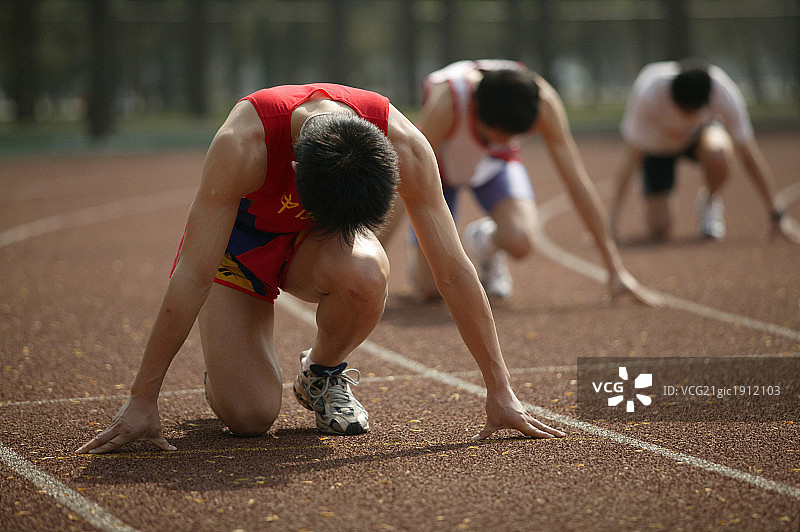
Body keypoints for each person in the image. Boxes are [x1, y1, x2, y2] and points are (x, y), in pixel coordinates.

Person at [75, 83, 565, 454]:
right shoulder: (243, 144)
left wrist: (500, 390)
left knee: (368, 273)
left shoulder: (406, 145)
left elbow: (455, 272)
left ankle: (323, 373)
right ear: (292, 176)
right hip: (238, 250)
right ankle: (225, 369)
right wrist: (144, 397)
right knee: (249, 416)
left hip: (317, 249)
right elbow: (193, 273)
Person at [379, 59, 660, 304]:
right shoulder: (449, 101)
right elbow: (405, 177)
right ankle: (421, 262)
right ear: (475, 111)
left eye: (511, 138)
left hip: (495, 165)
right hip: (439, 171)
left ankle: (484, 243)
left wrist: (615, 269)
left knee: (521, 240)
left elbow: (576, 182)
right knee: (431, 289)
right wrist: (372, 261)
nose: (502, 142)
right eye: (492, 137)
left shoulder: (543, 103)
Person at [611, 58, 800, 243]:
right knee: (659, 228)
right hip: (658, 148)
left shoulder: (723, 91)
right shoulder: (648, 93)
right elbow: (630, 159)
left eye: (693, 112)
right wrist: (611, 221)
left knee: (717, 152)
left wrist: (776, 215)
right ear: (671, 98)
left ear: (707, 101)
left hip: (701, 138)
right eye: (683, 112)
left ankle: (709, 201)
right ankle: (659, 212)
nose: (686, 119)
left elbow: (749, 155)